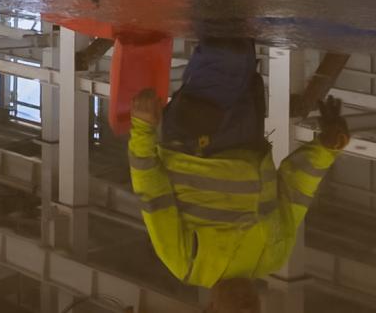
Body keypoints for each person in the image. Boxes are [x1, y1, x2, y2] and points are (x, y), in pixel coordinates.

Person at [128, 49, 352, 304]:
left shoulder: (186, 263)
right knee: (241, 49)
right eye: (251, 308)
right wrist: (326, 149)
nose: (243, 304)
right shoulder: (273, 256)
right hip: (249, 137)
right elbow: (295, 192)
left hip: (198, 140)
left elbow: (152, 194)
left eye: (234, 312)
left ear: (211, 309)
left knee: (227, 49)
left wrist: (142, 129)